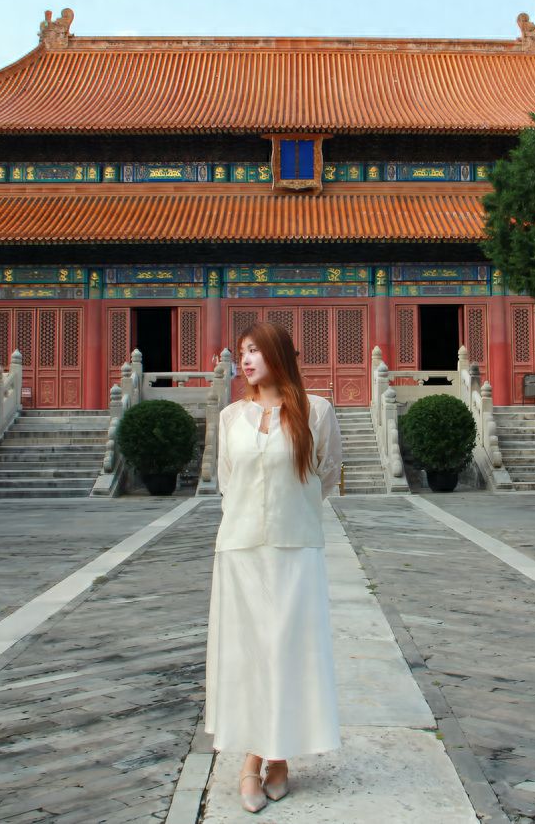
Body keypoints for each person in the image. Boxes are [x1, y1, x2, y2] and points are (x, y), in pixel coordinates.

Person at [206, 320, 343, 813]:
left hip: (295, 547)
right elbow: (227, 482)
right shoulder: (230, 418)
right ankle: (253, 760)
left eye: (255, 350)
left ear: (278, 354)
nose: (245, 360)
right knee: (248, 656)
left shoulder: (316, 411)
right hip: (240, 549)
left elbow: (327, 473)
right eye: (242, 351)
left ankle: (276, 757)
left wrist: (290, 510)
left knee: (287, 651)